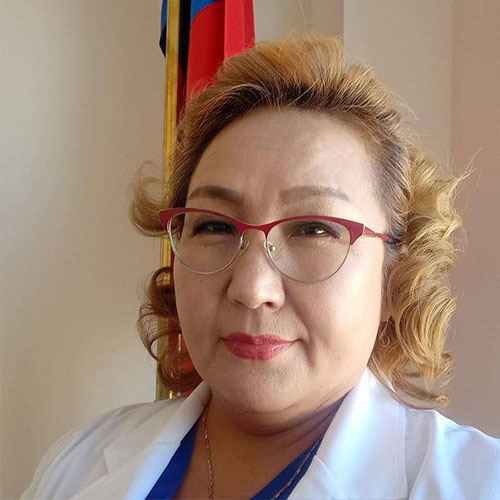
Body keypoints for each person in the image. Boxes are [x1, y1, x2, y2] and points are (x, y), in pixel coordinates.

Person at [22, 34, 499, 500]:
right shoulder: (77, 463)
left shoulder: (479, 483)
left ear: (394, 279)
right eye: (214, 226)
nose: (252, 288)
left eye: (314, 229)